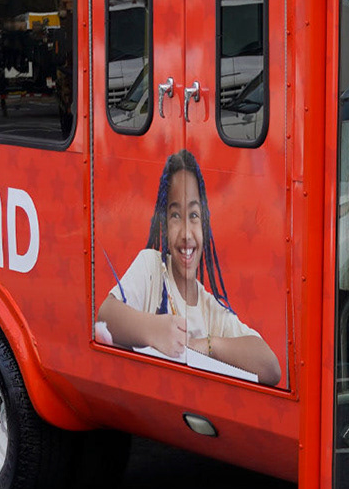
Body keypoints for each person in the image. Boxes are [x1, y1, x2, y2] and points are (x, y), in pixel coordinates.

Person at [96, 149, 283, 386]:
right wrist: (154, 329)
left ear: (205, 225)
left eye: (194, 215)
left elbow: (271, 368)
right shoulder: (152, 267)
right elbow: (106, 315)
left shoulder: (210, 309)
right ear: (164, 225)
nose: (186, 233)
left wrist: (206, 345)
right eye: (175, 216)